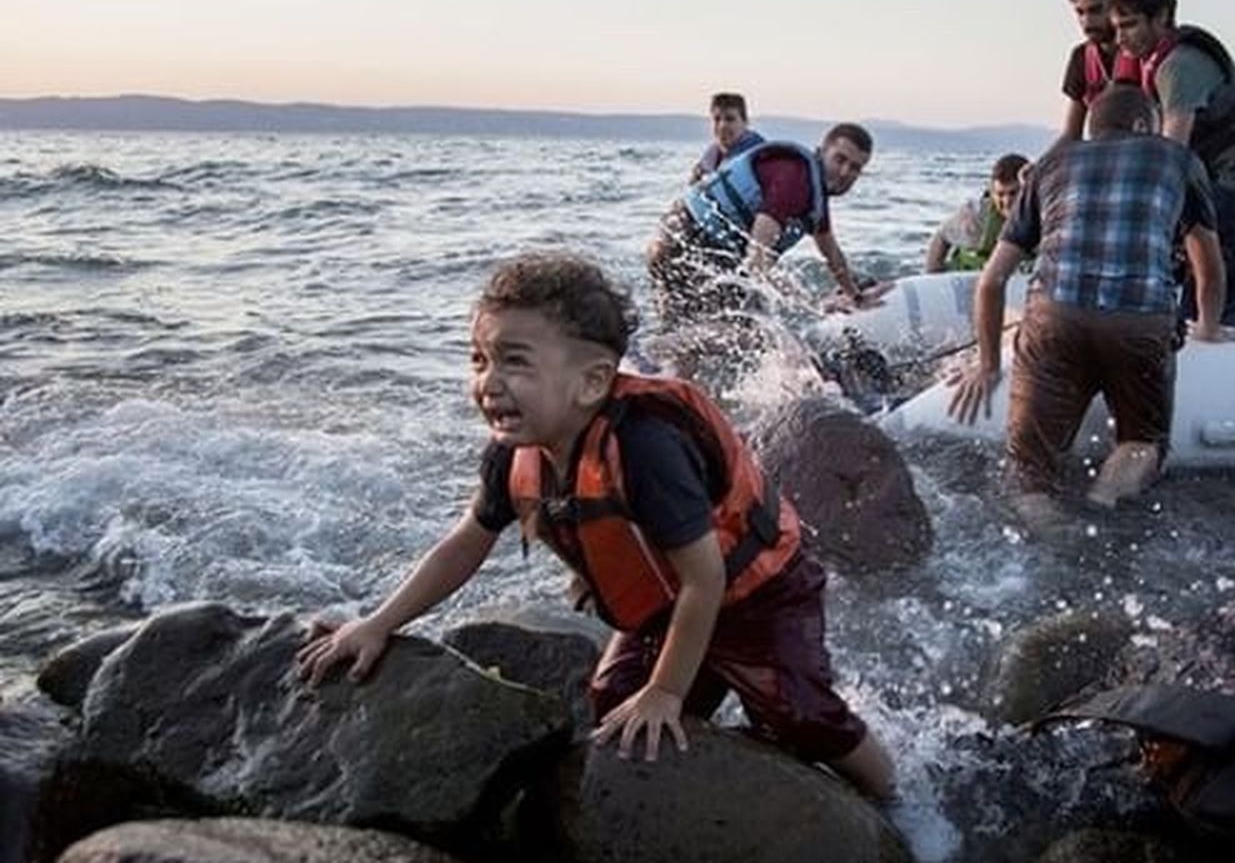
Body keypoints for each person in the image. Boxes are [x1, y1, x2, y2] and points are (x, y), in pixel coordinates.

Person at [296, 252, 896, 800]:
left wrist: (664, 692)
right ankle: (710, 752)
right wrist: (376, 624)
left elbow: (706, 579)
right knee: (612, 704)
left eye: (515, 362)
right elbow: (464, 545)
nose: (489, 383)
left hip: (757, 595)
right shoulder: (513, 453)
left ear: (591, 380)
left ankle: (891, 796)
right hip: (669, 596)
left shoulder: (646, 449)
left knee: (800, 715)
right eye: (479, 359)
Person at [947, 86, 1225, 512]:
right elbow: (1207, 263)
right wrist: (1208, 326)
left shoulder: (1050, 165)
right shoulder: (1179, 160)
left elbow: (991, 282)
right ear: (1141, 125)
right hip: (1140, 322)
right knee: (1141, 443)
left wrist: (987, 365)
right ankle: (1103, 499)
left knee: (1028, 474)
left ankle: (1051, 532)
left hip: (1055, 320)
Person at [1107, 0, 1235, 327]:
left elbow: (1170, 156)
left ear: (1163, 16)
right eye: (1117, 27)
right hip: (1227, 180)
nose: (1120, 38)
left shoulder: (1179, 67)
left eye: (1130, 25)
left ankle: (1230, 312)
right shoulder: (1156, 61)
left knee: (1193, 264)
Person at [646, 123, 877, 326]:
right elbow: (757, 257)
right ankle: (649, 356)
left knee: (687, 327)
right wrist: (806, 306)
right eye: (840, 159)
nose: (846, 172)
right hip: (689, 243)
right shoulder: (796, 180)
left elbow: (832, 255)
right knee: (747, 334)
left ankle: (650, 363)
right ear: (822, 151)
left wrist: (854, 296)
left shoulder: (814, 193)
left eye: (855, 167)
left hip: (675, 238)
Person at [1060, 0, 1134, 140]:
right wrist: (1040, 166)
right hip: (1106, 154)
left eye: (1096, 10)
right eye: (1080, 12)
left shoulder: (1145, 53)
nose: (1087, 21)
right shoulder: (1081, 57)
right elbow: (1070, 135)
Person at [925, 153, 1029, 273]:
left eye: (1013, 193)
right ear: (992, 192)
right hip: (965, 275)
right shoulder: (975, 218)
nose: (1007, 201)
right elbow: (941, 236)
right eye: (1000, 194)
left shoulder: (1046, 215)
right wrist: (933, 275)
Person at [688, 93, 766, 185]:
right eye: (717, 119)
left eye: (730, 119)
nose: (722, 126)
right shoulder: (711, 158)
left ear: (745, 123)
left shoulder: (759, 158)